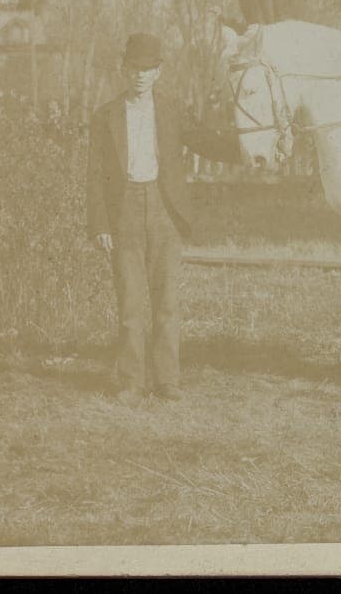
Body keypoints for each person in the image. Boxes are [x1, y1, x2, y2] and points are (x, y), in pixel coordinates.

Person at [87, 32, 245, 405]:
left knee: (167, 302)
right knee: (129, 302)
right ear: (124, 69)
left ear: (159, 71)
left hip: (164, 210)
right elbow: (94, 173)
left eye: (148, 68)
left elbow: (205, 140)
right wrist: (99, 225)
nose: (141, 75)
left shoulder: (173, 109)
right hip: (122, 211)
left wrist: (246, 147)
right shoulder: (105, 115)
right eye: (134, 68)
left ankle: (167, 381)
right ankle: (130, 382)